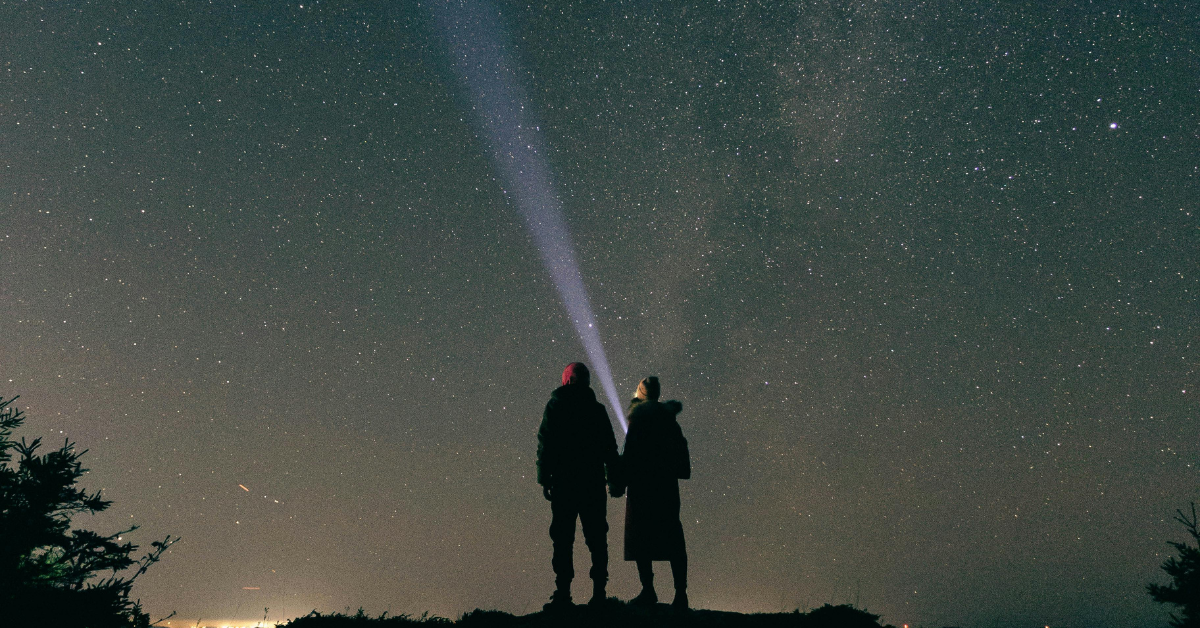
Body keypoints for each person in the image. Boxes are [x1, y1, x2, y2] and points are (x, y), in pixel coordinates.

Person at [536, 362, 623, 609]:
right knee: (597, 537)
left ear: (566, 380)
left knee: (563, 538)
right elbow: (609, 447)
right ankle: (599, 593)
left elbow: (545, 443)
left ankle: (563, 593)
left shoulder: (556, 406)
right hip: (592, 483)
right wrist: (614, 479)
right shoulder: (597, 410)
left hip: (563, 482)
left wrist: (544, 477)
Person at [620, 376, 690, 610]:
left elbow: (629, 453)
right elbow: (681, 451)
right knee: (673, 536)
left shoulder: (637, 419)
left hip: (641, 486)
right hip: (666, 486)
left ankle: (648, 591)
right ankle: (681, 594)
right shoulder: (669, 420)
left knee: (641, 536)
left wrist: (620, 481)